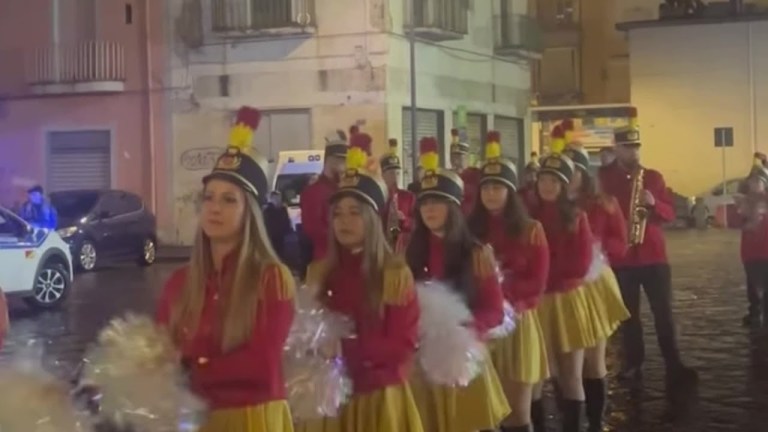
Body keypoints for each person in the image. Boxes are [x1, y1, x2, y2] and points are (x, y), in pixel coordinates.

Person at [156, 107, 296, 432]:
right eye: (209, 198)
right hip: (195, 421)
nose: (214, 208)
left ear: (250, 212)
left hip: (251, 419)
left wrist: (192, 367)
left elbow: (261, 366)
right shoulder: (180, 282)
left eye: (229, 200)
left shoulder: (271, 279)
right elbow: (161, 348)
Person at [299, 130, 423, 432]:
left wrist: (345, 349)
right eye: (338, 213)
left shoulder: (394, 273)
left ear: (371, 218)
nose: (344, 221)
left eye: (355, 213)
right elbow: (307, 333)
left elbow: (401, 345)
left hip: (379, 398)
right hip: (330, 399)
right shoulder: (318, 272)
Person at [406, 136, 510, 432]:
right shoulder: (410, 253)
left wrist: (463, 328)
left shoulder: (476, 253)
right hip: (423, 360)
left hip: (463, 357)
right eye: (424, 202)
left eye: (437, 201)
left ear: (453, 207)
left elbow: (494, 310)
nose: (429, 209)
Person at [598, 126, 697, 409]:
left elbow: (669, 212)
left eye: (637, 147)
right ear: (616, 148)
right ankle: (633, 364)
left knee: (664, 313)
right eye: (628, 147)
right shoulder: (604, 179)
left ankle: (674, 364)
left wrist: (655, 204)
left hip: (654, 256)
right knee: (629, 317)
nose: (634, 152)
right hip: (622, 258)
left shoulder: (652, 177)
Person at [467, 132, 550, 432]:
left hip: (517, 325)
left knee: (517, 415)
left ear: (510, 191)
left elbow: (537, 283)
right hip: (481, 329)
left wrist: (502, 296)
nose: (491, 193)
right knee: (485, 412)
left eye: (498, 187)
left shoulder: (531, 230)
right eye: (486, 187)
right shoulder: (469, 230)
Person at [527, 153, 598, 432]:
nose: (547, 185)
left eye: (553, 181)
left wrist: (543, 269)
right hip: (536, 302)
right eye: (543, 179)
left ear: (564, 184)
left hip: (566, 301)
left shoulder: (577, 216)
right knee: (534, 375)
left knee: (571, 376)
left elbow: (581, 263)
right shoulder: (528, 215)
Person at [563, 146, 631, 432]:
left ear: (583, 172)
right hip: (563, 287)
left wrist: (597, 250)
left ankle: (595, 422)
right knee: (567, 363)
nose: (568, 178)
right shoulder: (550, 203)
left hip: (594, 283)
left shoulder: (604, 203)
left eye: (573, 170)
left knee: (594, 360)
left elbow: (621, 242)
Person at [300, 129, 349, 260]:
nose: (345, 165)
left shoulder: (345, 189)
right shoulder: (313, 192)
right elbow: (312, 229)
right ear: (330, 159)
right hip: (325, 261)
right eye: (341, 160)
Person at [736, 154, 768, 326]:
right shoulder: (744, 202)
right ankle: (755, 312)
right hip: (751, 253)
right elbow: (739, 223)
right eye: (752, 181)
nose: (755, 184)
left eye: (759, 181)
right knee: (753, 285)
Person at [380, 138, 416, 252]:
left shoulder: (409, 197)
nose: (395, 177)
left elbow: (417, 224)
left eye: (398, 173)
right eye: (391, 173)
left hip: (403, 248)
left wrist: (404, 219)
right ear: (383, 175)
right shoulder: (379, 197)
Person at [449, 128, 482, 215]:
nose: (456, 161)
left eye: (460, 157)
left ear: (467, 157)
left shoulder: (476, 175)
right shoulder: (447, 177)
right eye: (453, 157)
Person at [263, 191, 293, 263]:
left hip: (275, 235)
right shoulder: (270, 210)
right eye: (277, 198)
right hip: (275, 235)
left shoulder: (269, 209)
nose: (279, 200)